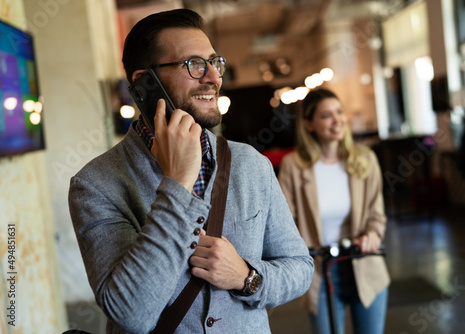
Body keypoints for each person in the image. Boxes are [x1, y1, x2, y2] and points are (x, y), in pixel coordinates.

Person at [68, 9, 313, 334]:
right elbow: (131, 313)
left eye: (215, 62)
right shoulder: (95, 185)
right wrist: (177, 185)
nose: (214, 77)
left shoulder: (251, 163)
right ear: (145, 82)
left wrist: (246, 277)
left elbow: (299, 268)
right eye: (193, 64)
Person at [278, 88, 390, 334]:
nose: (337, 120)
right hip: (322, 271)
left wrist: (373, 233)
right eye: (327, 115)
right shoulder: (293, 166)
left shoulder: (365, 159)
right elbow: (284, 223)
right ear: (308, 124)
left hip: (364, 265)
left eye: (339, 112)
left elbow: (376, 214)